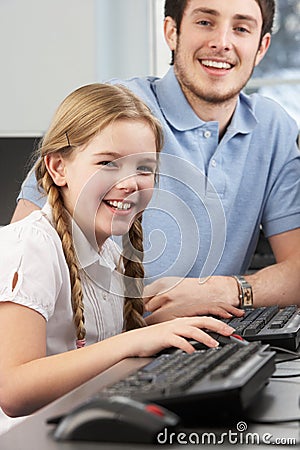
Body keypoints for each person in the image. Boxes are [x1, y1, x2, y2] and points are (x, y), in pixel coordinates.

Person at [11, 0, 300, 324]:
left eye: (241, 28)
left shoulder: (274, 127)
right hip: (93, 352)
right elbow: (18, 263)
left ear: (261, 47)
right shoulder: (118, 110)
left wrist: (223, 290)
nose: (222, 42)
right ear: (171, 32)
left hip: (201, 348)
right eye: (205, 22)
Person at [0, 83, 238, 435]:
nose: (129, 182)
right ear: (57, 167)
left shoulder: (108, 253)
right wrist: (133, 341)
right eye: (107, 163)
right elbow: (13, 390)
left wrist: (161, 328)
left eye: (144, 168)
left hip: (80, 428)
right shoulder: (29, 245)